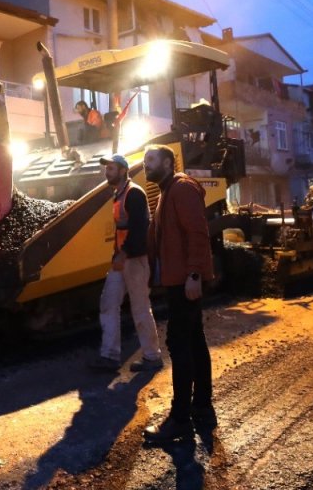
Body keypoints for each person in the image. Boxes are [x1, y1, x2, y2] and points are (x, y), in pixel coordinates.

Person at [141, 144, 216, 444]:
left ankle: (180, 418)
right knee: (195, 340)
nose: (146, 165)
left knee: (178, 341)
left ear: (168, 162)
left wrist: (194, 274)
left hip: (185, 279)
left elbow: (198, 232)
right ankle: (202, 406)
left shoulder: (181, 188)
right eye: (145, 161)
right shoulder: (166, 191)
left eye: (151, 160)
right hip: (178, 278)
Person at [89, 154, 162, 373]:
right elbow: (122, 230)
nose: (107, 172)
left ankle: (152, 356)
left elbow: (141, 228)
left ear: (122, 171)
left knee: (140, 308)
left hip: (135, 259)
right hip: (122, 259)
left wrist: (125, 253)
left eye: (111, 168)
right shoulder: (118, 194)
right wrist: (117, 255)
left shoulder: (134, 194)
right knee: (108, 303)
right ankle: (110, 356)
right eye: (106, 168)